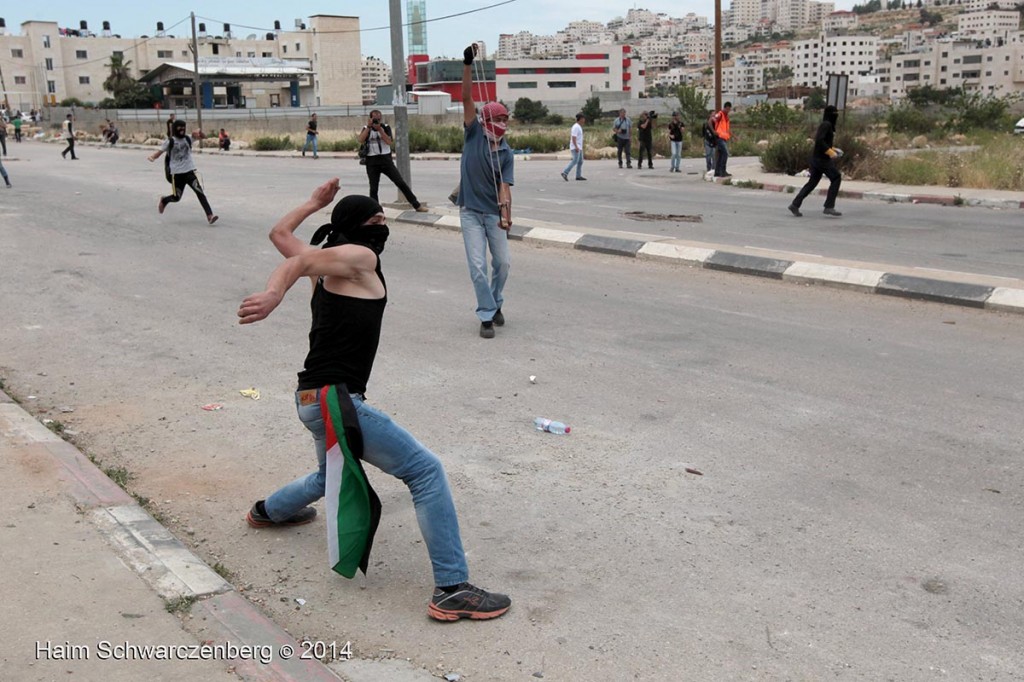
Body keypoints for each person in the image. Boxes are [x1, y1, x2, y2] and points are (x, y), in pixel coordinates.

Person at [237, 178, 512, 622]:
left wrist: (311, 203)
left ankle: (267, 512)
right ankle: (452, 587)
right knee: (425, 471)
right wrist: (273, 295)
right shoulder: (359, 258)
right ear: (358, 228)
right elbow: (296, 262)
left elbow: (281, 238)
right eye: (376, 218)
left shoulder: (333, 264)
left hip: (310, 399)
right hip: (336, 398)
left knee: (329, 476)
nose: (383, 225)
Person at [458, 43, 514, 339]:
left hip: (493, 213)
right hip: (470, 213)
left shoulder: (505, 152)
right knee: (478, 266)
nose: (503, 123)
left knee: (503, 264)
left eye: (506, 119)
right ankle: (486, 315)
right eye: (499, 119)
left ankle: (495, 302)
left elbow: (505, 187)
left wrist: (507, 216)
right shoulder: (474, 133)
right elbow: (467, 97)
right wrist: (468, 63)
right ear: (487, 120)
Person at [148, 119, 218, 224]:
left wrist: (199, 133)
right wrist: (153, 157)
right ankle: (164, 200)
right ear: (175, 129)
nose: (182, 129)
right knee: (177, 198)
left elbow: (204, 137)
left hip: (189, 171)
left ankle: (209, 215)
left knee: (200, 192)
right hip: (177, 174)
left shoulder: (188, 138)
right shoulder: (170, 141)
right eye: (179, 127)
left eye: (183, 127)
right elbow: (160, 152)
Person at [358, 110, 428, 212]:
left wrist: (380, 130)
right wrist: (369, 127)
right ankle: (375, 211)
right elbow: (360, 140)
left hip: (386, 160)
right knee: (373, 188)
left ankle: (416, 205)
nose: (377, 120)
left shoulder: (385, 127)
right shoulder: (366, 128)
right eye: (374, 119)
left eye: (379, 118)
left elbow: (389, 141)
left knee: (400, 182)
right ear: (370, 119)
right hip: (372, 161)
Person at [788, 105, 844, 218]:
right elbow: (819, 141)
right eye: (834, 113)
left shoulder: (827, 125)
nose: (836, 115)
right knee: (836, 177)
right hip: (821, 160)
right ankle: (829, 207)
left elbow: (823, 143)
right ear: (830, 114)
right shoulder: (826, 125)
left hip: (817, 159)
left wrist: (834, 150)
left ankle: (795, 204)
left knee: (812, 183)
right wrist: (831, 153)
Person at [560, 113, 586, 182]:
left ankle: (578, 175)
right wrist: (576, 146)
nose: (584, 120)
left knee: (580, 161)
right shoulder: (576, 127)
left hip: (579, 147)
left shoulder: (579, 126)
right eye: (583, 119)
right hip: (576, 147)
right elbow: (573, 137)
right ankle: (565, 172)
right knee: (575, 161)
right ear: (580, 119)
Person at [708, 102, 732, 178]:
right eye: (727, 109)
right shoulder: (720, 114)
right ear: (725, 108)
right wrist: (713, 131)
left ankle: (717, 172)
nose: (728, 110)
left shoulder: (726, 117)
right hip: (720, 137)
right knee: (725, 154)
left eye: (729, 109)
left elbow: (727, 129)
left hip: (724, 138)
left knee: (721, 154)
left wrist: (734, 136)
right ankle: (722, 171)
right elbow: (710, 121)